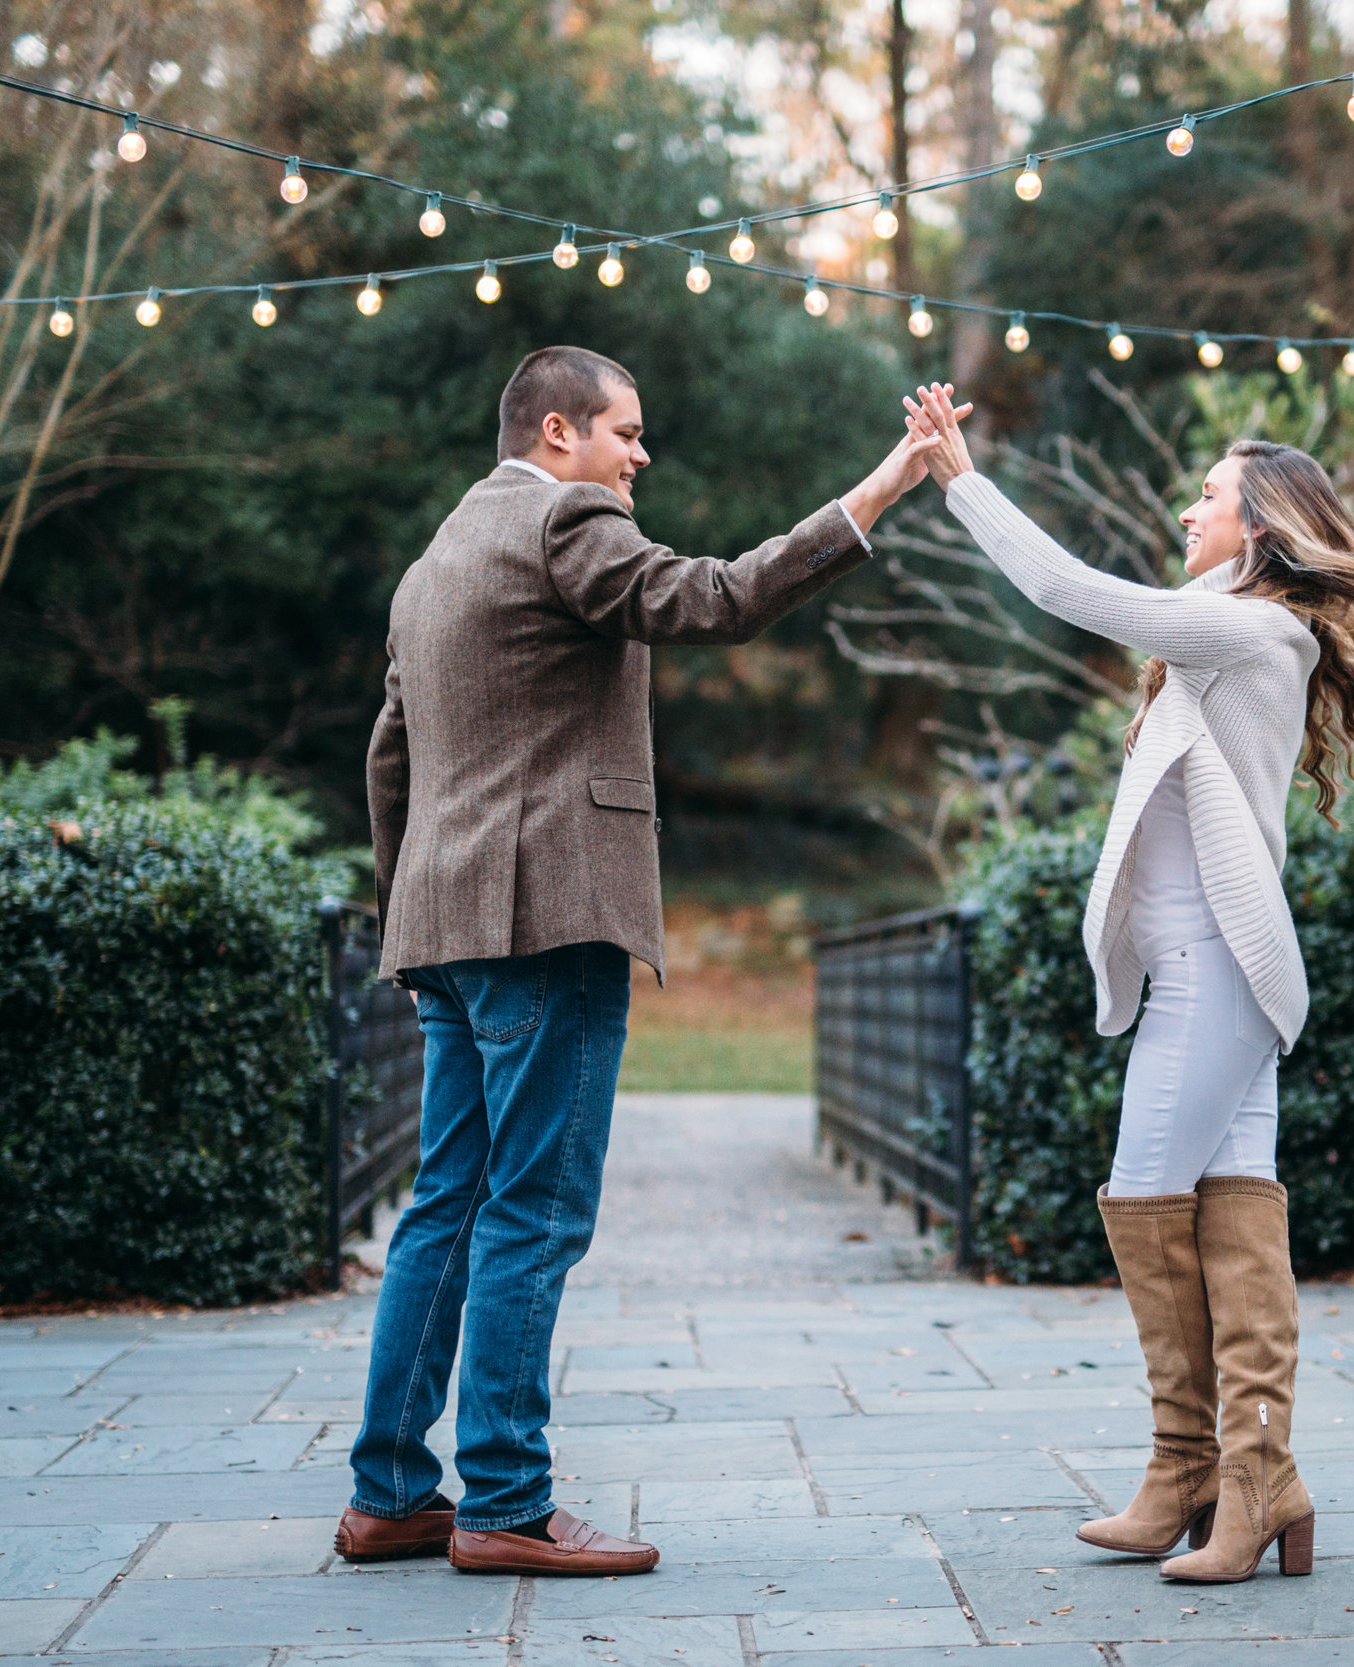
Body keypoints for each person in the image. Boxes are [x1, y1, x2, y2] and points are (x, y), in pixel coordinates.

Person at [902, 383, 1354, 1584]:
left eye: (1209, 495)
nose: (1187, 506)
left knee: (1144, 1193)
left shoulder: (1246, 635)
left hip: (1217, 970)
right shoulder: (1227, 626)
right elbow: (1153, 607)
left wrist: (960, 478)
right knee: (1237, 1210)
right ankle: (1232, 1475)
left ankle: (1210, 1470)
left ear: (1260, 526)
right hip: (1218, 967)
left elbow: (1065, 593)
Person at [338, 346, 948, 1578]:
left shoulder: (433, 560)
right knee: (534, 1209)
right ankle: (505, 1498)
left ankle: (391, 1490)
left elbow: (387, 757)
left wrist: (415, 926)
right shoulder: (566, 520)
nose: (640, 455)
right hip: (550, 921)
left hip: (447, 931)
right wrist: (879, 489)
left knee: (444, 1205)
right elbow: (718, 597)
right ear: (557, 432)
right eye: (626, 432)